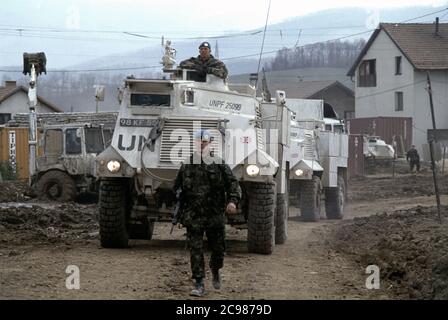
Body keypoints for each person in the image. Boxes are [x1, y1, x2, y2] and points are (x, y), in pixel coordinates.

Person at [173, 129, 241, 297]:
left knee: (218, 250)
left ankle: (216, 269)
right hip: (193, 216)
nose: (201, 144)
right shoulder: (187, 164)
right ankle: (199, 283)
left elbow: (233, 184)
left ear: (210, 143)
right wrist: (179, 198)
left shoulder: (218, 163)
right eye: (198, 141)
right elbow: (177, 187)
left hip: (214, 215)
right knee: (195, 250)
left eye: (204, 141)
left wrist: (232, 201)